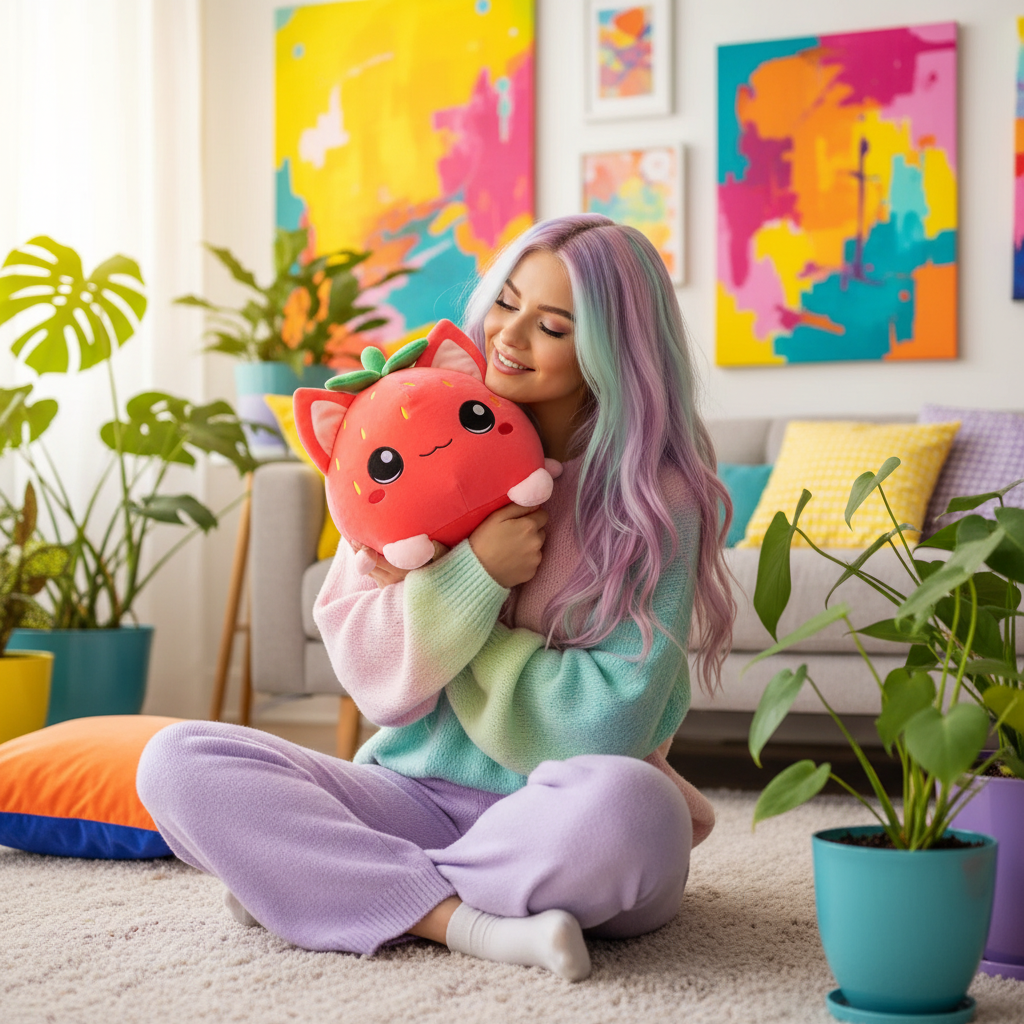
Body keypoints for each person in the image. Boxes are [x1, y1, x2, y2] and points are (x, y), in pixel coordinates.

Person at [137, 214, 735, 983]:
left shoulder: (655, 498)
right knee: (178, 761)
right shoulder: (418, 434)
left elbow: (613, 716)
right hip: (406, 794)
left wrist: (462, 615)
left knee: (636, 807)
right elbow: (368, 666)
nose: (510, 336)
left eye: (551, 326)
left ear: (610, 354)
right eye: (506, 302)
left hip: (559, 818)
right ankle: (459, 920)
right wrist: (474, 573)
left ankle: (332, 885)